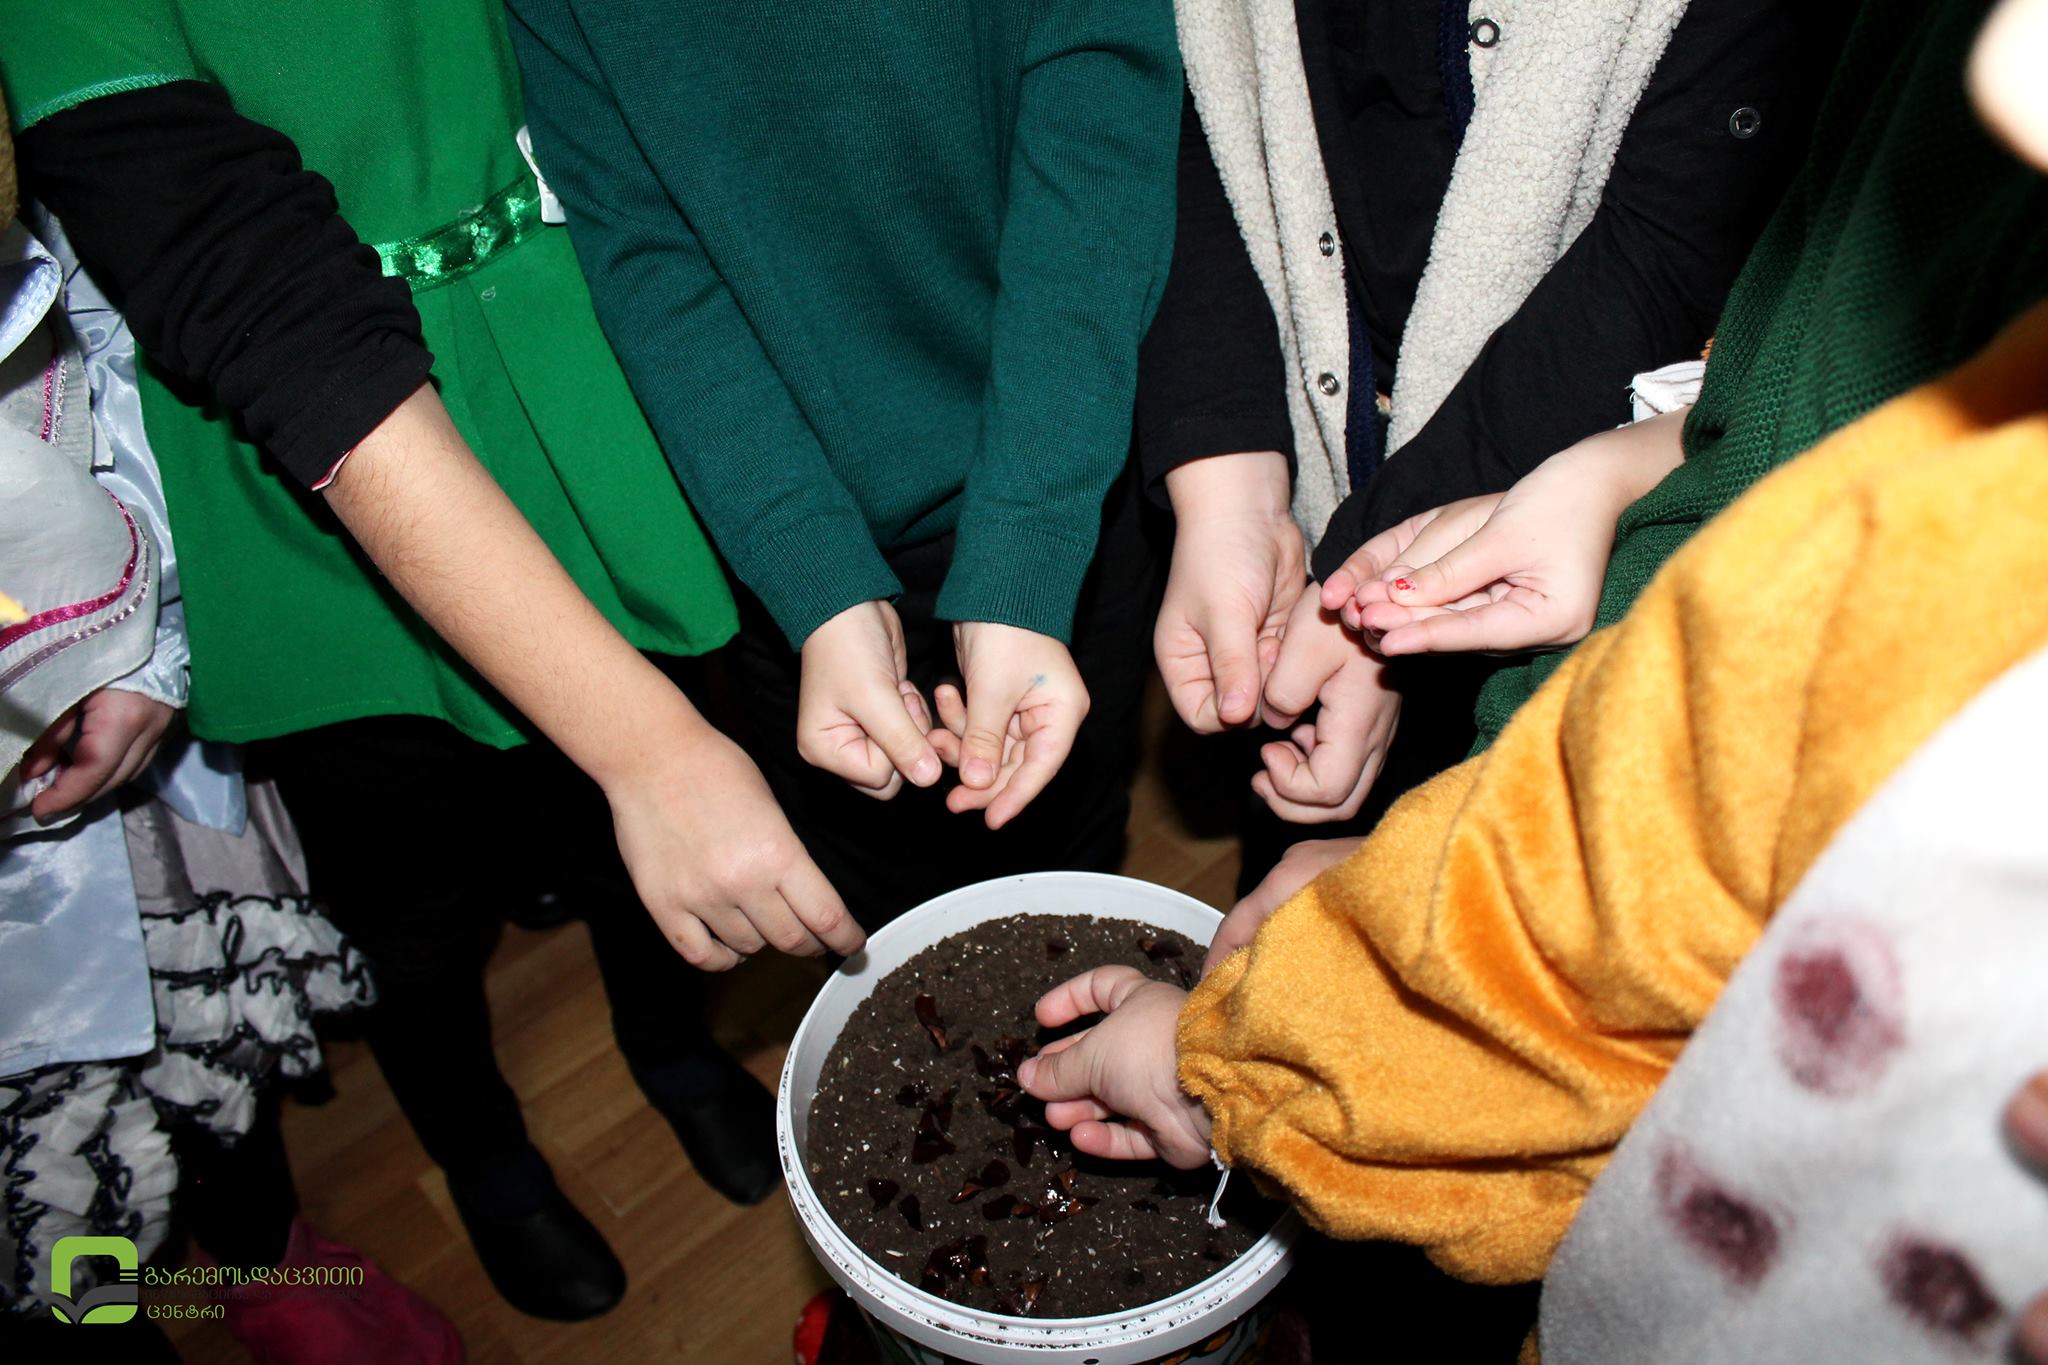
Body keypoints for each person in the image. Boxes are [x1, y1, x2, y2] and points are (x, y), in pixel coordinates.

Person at [1016, 0, 2048, 1356]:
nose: (2007, 64)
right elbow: (1798, 388)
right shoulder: (1945, 74)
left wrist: (1222, 1064)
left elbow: (1650, 891)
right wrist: (1620, 470)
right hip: (1540, 825)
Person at [0, 0, 853, 1321]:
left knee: (616, 836)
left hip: (553, 362)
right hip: (287, 444)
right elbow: (213, 250)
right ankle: (484, 1153)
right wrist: (653, 753)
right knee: (408, 904)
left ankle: (672, 1052)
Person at [505, 0, 1182, 922]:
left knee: (1073, 858)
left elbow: (1097, 118)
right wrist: (814, 579)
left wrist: (1025, 549)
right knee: (868, 891)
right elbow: (644, 250)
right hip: (775, 507)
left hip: (1065, 455)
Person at [1139, 0, 1829, 844]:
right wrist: (1226, 484)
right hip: (1340, 492)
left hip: (1542, 519)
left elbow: (1671, 243)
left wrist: (1372, 582)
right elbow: (1205, 92)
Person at [0, 127, 458, 1363]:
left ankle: (258, 1263)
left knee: (204, 1036)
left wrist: (142, 647)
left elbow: (101, 351)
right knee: (49, 1227)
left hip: (99, 757)